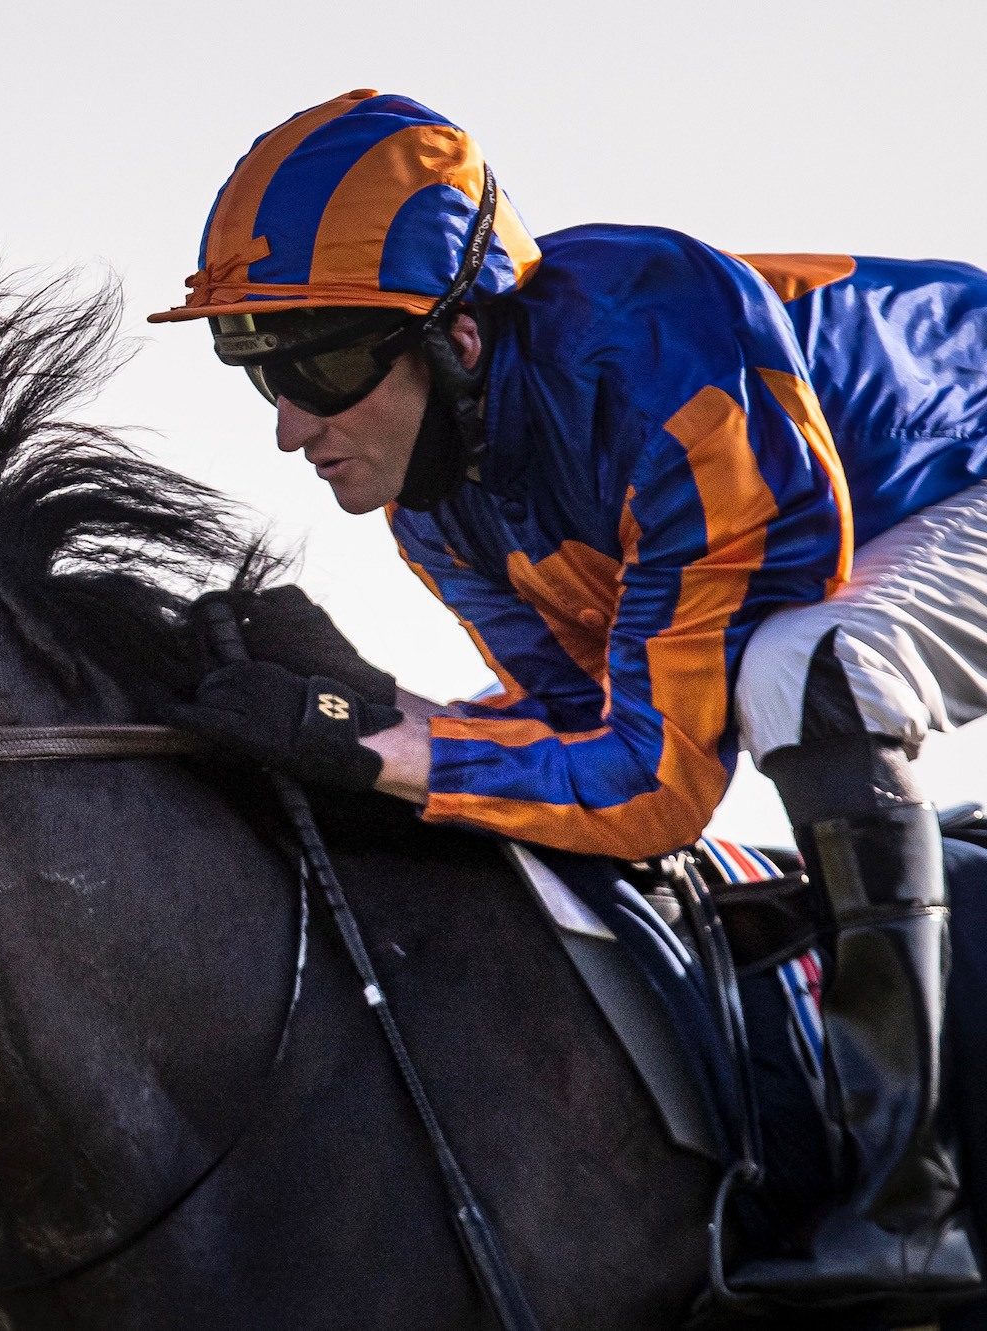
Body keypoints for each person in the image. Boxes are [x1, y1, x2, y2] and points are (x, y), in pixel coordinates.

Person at [154, 88, 987, 1312]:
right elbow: (575, 736)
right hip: (879, 514)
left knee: (803, 666)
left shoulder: (666, 385)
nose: (291, 427)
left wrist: (379, 747)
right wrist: (364, 707)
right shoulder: (439, 508)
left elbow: (655, 793)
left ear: (461, 336)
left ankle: (913, 1200)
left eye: (321, 359)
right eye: (255, 366)